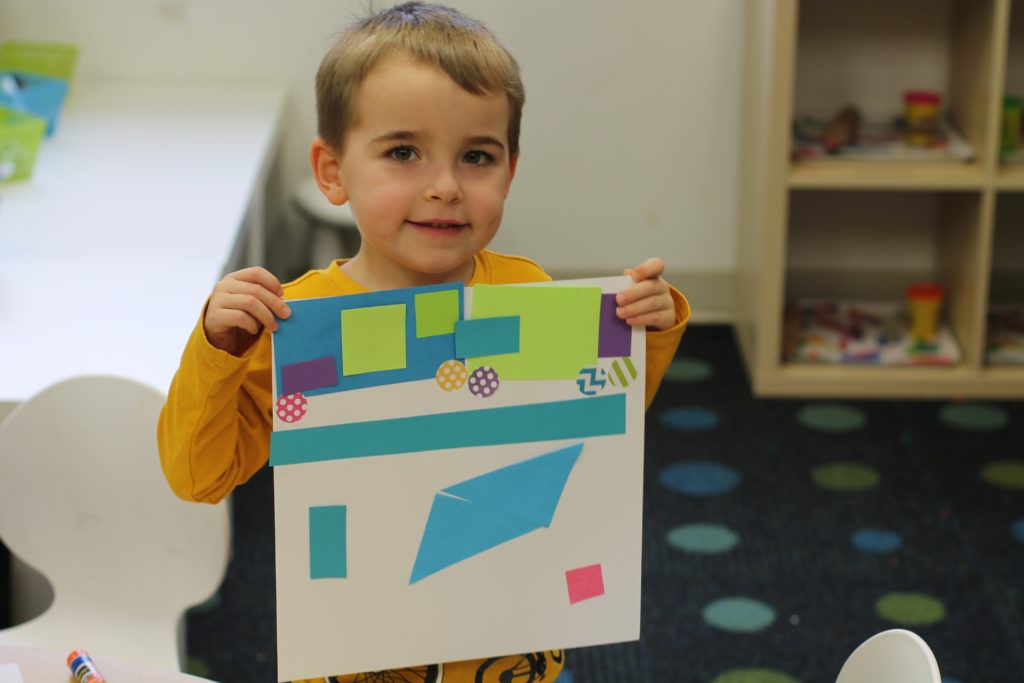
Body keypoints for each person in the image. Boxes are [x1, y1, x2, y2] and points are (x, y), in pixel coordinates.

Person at [158, 3, 690, 682]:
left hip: (506, 644)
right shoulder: (301, 324)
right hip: (357, 652)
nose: (444, 187)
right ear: (332, 171)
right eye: (403, 152)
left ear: (510, 171)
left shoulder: (525, 293)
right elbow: (198, 476)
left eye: (476, 157)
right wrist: (218, 350)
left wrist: (646, 330)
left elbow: (590, 436)